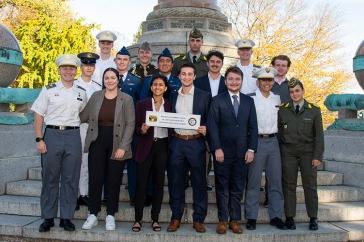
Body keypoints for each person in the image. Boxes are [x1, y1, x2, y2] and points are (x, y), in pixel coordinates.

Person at [31, 54, 87, 232]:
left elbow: (83, 115)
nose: (68, 71)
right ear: (59, 70)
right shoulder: (48, 90)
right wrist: (39, 139)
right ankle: (48, 217)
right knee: (50, 178)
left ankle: (66, 217)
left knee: (71, 179)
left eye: (71, 68)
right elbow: (39, 115)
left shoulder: (81, 92)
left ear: (75, 71)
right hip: (52, 135)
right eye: (65, 68)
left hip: (73, 136)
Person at [80, 68, 135, 231]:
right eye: (107, 78)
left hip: (117, 143)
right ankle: (93, 214)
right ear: (103, 80)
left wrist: (123, 147)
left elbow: (130, 124)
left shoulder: (127, 99)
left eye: (113, 78)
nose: (109, 80)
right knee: (95, 179)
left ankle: (111, 214)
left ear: (118, 80)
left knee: (113, 180)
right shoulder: (96, 96)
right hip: (97, 141)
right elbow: (82, 116)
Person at [207, 66, 258, 234]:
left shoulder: (249, 101)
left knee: (237, 187)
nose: (234, 82)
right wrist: (216, 148)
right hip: (222, 152)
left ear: (241, 81)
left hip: (242, 153)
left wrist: (251, 149)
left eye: (237, 79)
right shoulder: (217, 100)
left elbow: (253, 127)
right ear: (226, 81)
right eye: (230, 79)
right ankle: (223, 220)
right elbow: (212, 127)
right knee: (222, 187)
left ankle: (235, 220)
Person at [167, 63, 211, 233]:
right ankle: (176, 217)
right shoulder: (172, 95)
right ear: (179, 76)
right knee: (176, 181)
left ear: (194, 77)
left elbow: (210, 118)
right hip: (177, 142)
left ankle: (198, 219)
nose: (186, 77)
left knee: (199, 182)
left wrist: (206, 128)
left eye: (189, 74)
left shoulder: (204, 96)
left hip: (196, 142)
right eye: (183, 74)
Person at [278, 78, 324, 231]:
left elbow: (319, 136)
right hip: (288, 152)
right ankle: (290, 218)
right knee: (288, 185)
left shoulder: (314, 110)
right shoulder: (283, 109)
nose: (294, 94)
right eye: (291, 92)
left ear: (303, 91)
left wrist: (317, 156)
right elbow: (279, 134)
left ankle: (313, 218)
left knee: (310, 186)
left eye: (297, 91)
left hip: (308, 152)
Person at [245, 67, 286, 230]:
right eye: (263, 80)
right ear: (258, 82)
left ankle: (276, 216)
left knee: (275, 181)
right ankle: (251, 217)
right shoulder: (250, 99)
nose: (267, 83)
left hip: (274, 142)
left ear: (273, 81)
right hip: (257, 142)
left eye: (269, 80)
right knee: (253, 181)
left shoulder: (277, 99)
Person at [132, 74, 172, 232]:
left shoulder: (169, 105)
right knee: (141, 184)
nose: (157, 87)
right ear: (151, 87)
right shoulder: (142, 104)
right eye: (155, 84)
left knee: (158, 184)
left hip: (162, 147)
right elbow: (135, 127)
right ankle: (137, 220)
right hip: (145, 146)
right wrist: (141, 129)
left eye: (161, 85)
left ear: (165, 88)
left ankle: (155, 219)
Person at [194, 50, 228, 191]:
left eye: (218, 62)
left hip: (222, 128)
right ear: (207, 63)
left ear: (221, 64)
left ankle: (221, 187)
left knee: (221, 160)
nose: (215, 64)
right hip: (203, 127)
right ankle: (202, 184)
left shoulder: (228, 82)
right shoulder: (198, 82)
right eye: (212, 61)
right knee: (202, 161)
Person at [75, 52, 102, 209]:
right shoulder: (74, 84)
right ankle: (75, 194)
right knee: (76, 162)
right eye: (86, 65)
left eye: (91, 65)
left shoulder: (97, 87)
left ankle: (84, 194)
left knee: (88, 162)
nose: (88, 68)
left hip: (93, 128)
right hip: (77, 127)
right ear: (81, 66)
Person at [115, 46, 142, 206]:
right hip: (111, 129)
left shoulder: (136, 81)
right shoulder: (109, 78)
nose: (122, 62)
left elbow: (140, 105)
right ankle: (110, 196)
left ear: (130, 62)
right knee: (113, 164)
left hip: (130, 130)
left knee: (132, 166)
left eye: (125, 59)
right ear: (115, 61)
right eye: (119, 59)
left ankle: (134, 195)